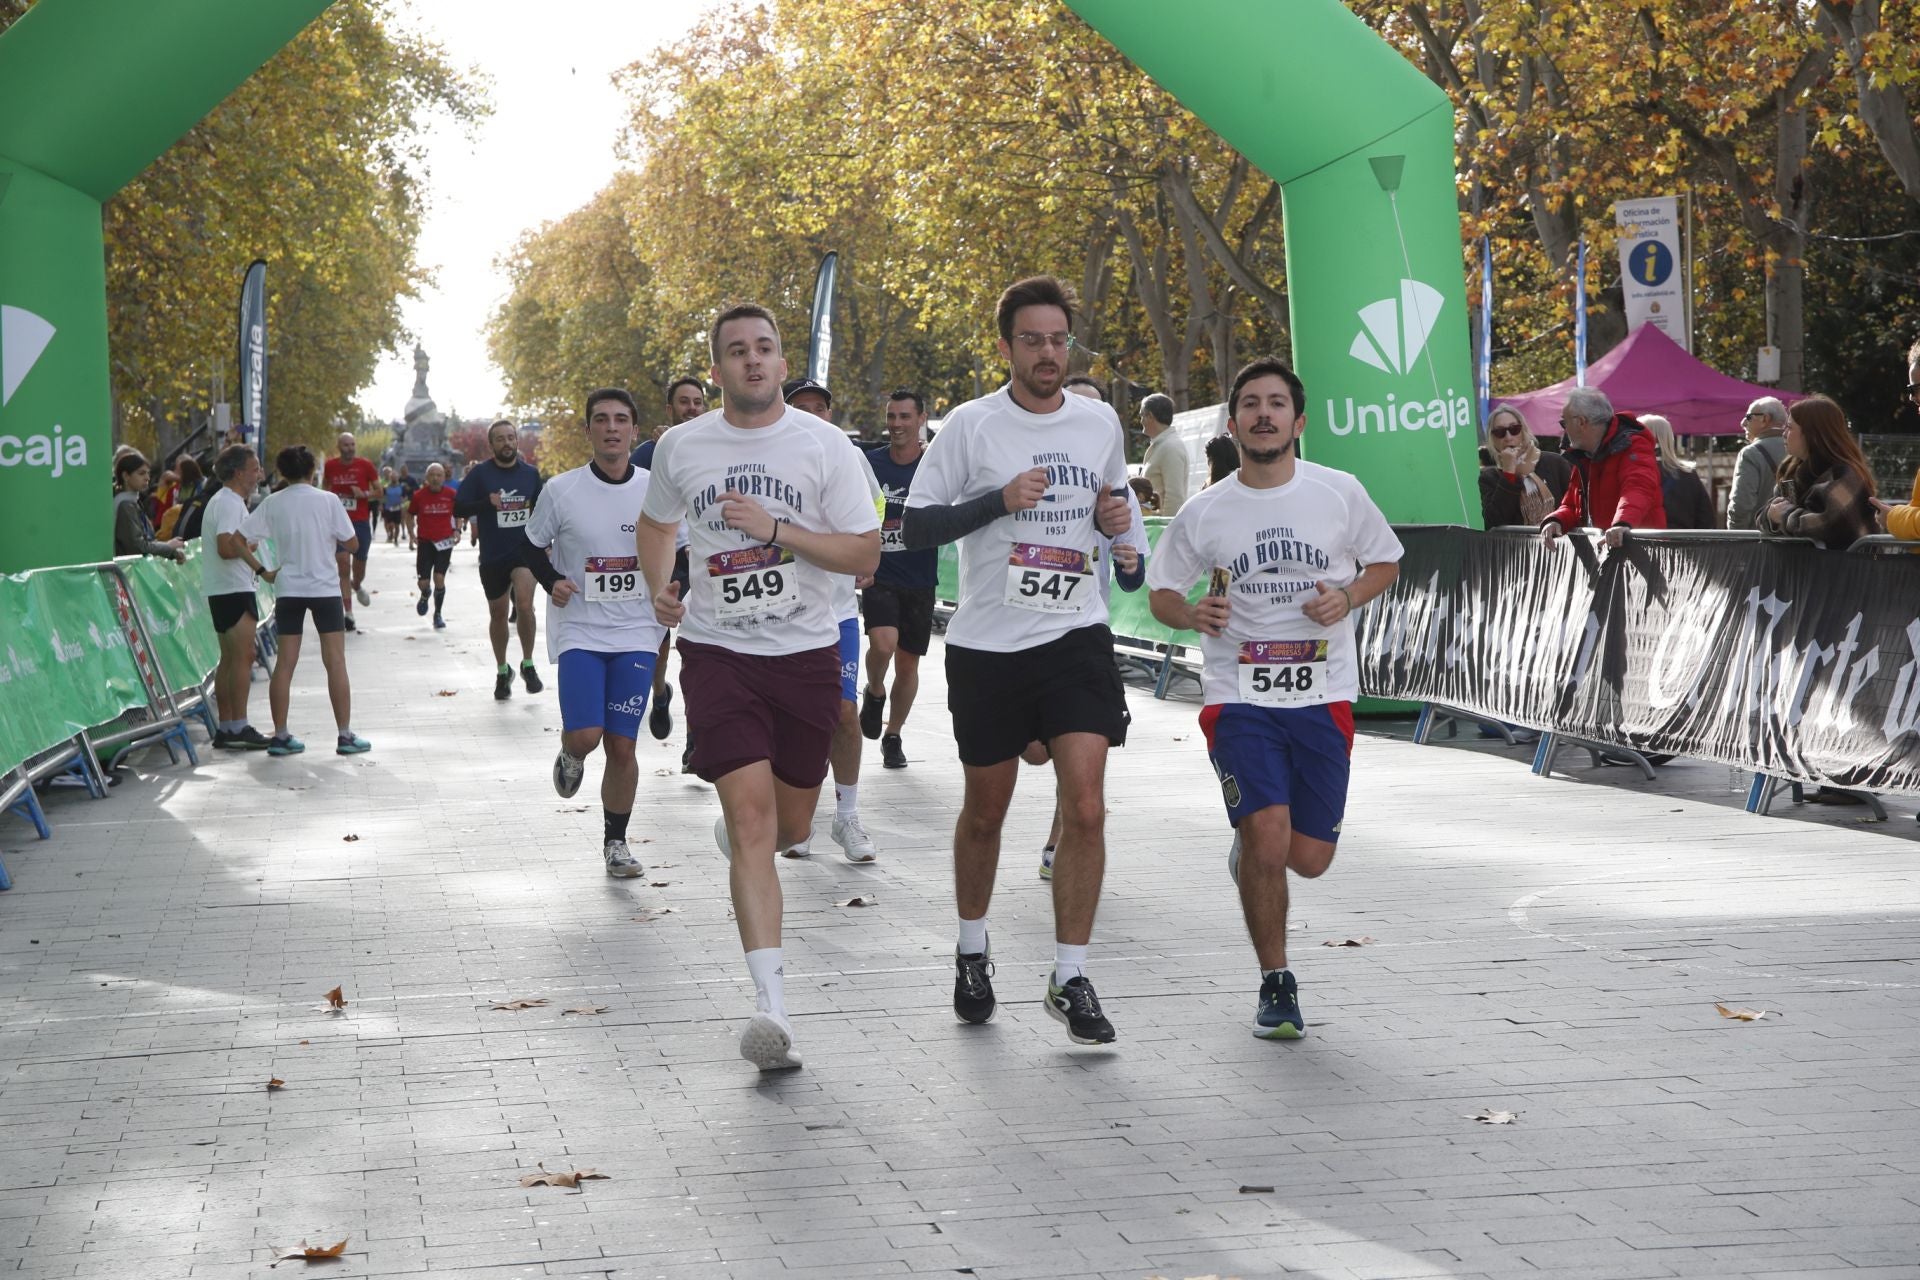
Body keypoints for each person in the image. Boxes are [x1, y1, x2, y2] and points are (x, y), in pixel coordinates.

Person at [638, 303, 880, 1071]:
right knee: (750, 824)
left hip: (806, 654)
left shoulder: (825, 445)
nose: (752, 359)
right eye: (737, 350)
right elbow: (656, 525)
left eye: (765, 348)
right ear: (717, 369)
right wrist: (659, 587)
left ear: (780, 363)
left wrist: (777, 531)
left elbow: (864, 552)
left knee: (789, 826)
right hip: (718, 654)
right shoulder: (682, 445)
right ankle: (771, 1011)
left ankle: (766, 835)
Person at [902, 274, 1133, 1045]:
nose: (1047, 354)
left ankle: (1071, 975)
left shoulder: (1099, 422)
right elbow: (914, 527)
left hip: (1076, 635)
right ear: (1005, 347)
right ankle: (972, 951)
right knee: (986, 813)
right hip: (989, 646)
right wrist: (997, 502)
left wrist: (1115, 523)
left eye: (1058, 340)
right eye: (1032, 340)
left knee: (1087, 807)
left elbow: (1117, 514)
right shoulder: (971, 426)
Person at [1146, 356, 1402, 1039]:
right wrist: (1191, 614)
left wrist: (1347, 596)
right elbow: (1162, 591)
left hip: (1323, 694)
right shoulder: (1207, 510)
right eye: (1252, 404)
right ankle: (1276, 983)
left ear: (1299, 421)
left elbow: (1386, 561)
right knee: (1266, 834)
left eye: (1277, 403)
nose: (1264, 414)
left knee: (1308, 858)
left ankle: (1255, 853)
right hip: (1238, 696)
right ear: (1233, 424)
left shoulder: (1339, 492)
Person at [522, 388, 667, 880]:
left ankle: (616, 843)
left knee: (622, 746)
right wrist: (552, 581)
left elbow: (683, 549)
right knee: (587, 736)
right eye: (601, 419)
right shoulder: (561, 489)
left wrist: (675, 589)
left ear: (634, 430)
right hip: (581, 629)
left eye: (621, 419)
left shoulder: (656, 488)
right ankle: (571, 752)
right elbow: (530, 545)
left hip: (638, 630)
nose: (611, 428)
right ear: (588, 430)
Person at [783, 375, 884, 862]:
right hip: (781, 611)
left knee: (843, 712)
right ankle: (797, 819)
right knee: (795, 719)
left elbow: (876, 507)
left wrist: (867, 554)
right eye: (800, 408)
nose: (813, 417)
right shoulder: (768, 456)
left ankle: (846, 817)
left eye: (819, 408)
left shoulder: (848, 454)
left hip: (836, 608)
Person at [241, 445, 371, 756]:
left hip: (289, 588)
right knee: (335, 661)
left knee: (285, 664)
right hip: (325, 588)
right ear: (313, 471)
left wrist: (261, 569)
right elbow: (353, 544)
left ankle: (281, 736)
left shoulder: (273, 502)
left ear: (283, 472)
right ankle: (345, 736)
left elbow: (239, 539)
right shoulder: (328, 500)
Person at [860, 389, 938, 771]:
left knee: (908, 665)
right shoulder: (871, 463)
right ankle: (874, 690)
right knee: (883, 643)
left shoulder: (934, 466)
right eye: (891, 416)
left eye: (905, 416)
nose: (896, 424)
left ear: (921, 418)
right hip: (880, 573)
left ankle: (893, 735)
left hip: (920, 577)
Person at [631, 377, 709, 745]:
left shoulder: (720, 448)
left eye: (697, 402)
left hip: (707, 559)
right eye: (684, 402)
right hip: (665, 557)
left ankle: (696, 737)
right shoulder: (649, 453)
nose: (691, 408)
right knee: (660, 642)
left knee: (701, 650)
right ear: (669, 409)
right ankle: (660, 692)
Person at [455, 420, 545, 699]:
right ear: (491, 444)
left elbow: (543, 510)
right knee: (498, 613)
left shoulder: (530, 474)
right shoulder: (480, 474)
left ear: (517, 440)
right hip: (493, 555)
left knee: (525, 605)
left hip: (523, 552)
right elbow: (458, 507)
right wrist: (486, 503)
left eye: (510, 437)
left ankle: (528, 664)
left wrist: (547, 543)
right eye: (500, 439)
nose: (507, 443)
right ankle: (503, 670)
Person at [201, 444, 278, 749]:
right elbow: (226, 546)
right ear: (238, 473)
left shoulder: (224, 501)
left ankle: (228, 726)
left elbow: (231, 543)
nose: (259, 474)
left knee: (231, 658)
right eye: (254, 468)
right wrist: (254, 556)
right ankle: (238, 726)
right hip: (233, 587)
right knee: (243, 657)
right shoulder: (230, 503)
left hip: (224, 587)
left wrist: (247, 545)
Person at [1541, 387, 1666, 549]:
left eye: (1564, 422)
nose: (1564, 429)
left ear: (1581, 422)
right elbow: (1572, 506)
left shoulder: (1633, 444)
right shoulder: (1583, 456)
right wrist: (1556, 520)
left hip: (1641, 551)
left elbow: (1639, 487)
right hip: (1611, 551)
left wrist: (1622, 523)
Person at [1757, 394, 1877, 549]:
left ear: (1812, 434)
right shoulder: (1791, 472)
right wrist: (1771, 516)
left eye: (1790, 427)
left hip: (1849, 564)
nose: (1784, 433)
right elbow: (1766, 515)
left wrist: (1782, 516)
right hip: (1805, 564)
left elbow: (1829, 524)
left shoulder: (1844, 474)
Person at [1478, 406, 1572, 527]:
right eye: (1500, 432)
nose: (1508, 437)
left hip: (1558, 537)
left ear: (1523, 431)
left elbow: (1574, 507)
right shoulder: (1489, 478)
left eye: (1514, 429)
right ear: (1493, 439)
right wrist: (1509, 473)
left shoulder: (1555, 463)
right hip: (1514, 540)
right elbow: (1493, 522)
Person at [323, 432, 379, 629]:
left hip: (360, 522)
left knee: (359, 566)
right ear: (339, 447)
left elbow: (379, 492)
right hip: (338, 523)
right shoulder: (330, 466)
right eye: (346, 445)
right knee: (343, 564)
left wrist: (364, 494)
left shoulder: (366, 465)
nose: (350, 448)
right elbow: (325, 488)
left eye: (352, 444)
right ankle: (348, 613)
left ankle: (357, 584)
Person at [408, 463, 458, 630]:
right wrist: (411, 534)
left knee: (439, 578)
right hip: (425, 542)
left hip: (444, 542)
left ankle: (437, 614)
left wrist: (457, 530)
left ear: (444, 478)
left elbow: (458, 513)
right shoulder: (418, 496)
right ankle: (425, 593)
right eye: (432, 475)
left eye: (439, 475)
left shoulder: (451, 494)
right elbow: (409, 515)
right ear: (427, 477)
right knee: (423, 582)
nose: (435, 478)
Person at [1726, 397, 1789, 532]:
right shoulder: (1799, 449)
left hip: (1758, 538)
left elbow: (1741, 505)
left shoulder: (1751, 453)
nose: (1743, 423)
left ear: (1765, 419)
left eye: (1749, 417)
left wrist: (1735, 535)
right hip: (1795, 537)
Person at [1641, 415, 1714, 529]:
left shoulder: (1634, 471)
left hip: (1640, 538)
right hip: (1682, 538)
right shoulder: (1688, 473)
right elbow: (1706, 518)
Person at [112, 452, 186, 561]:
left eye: (148, 473)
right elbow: (138, 547)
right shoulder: (125, 505)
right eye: (141, 473)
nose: (147, 478)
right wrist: (169, 547)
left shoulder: (133, 501)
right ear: (126, 476)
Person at [1139, 392, 1191, 516]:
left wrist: (1166, 527)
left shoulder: (1171, 447)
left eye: (1142, 415)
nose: (1140, 421)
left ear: (1150, 416)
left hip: (1161, 526)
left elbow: (1175, 497)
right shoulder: (1162, 445)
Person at [157, 456, 205, 539]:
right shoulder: (177, 487)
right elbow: (166, 476)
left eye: (179, 470)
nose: (176, 473)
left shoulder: (203, 485)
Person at [381, 467, 407, 545]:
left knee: (397, 525)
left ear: (397, 478)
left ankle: (395, 539)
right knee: (390, 524)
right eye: (392, 477)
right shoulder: (386, 487)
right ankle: (391, 534)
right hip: (388, 508)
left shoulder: (401, 487)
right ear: (390, 478)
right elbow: (382, 497)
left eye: (395, 477)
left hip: (398, 508)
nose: (394, 478)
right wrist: (381, 505)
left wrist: (402, 503)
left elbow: (405, 497)